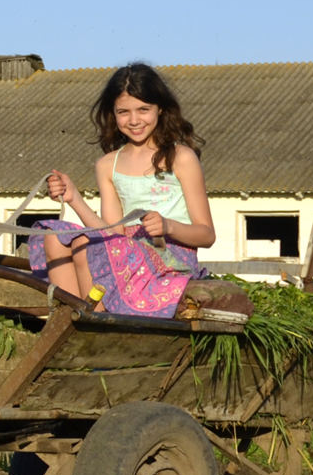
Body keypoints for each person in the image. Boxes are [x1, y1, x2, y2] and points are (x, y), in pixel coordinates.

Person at [30, 63, 215, 317]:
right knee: (54, 236)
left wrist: (168, 226)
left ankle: (98, 320)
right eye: (124, 112)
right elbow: (111, 233)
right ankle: (68, 319)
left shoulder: (181, 157)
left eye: (143, 109)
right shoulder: (108, 165)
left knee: (85, 243)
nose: (134, 120)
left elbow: (207, 235)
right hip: (123, 250)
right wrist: (73, 197)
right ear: (113, 114)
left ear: (160, 108)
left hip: (170, 256)